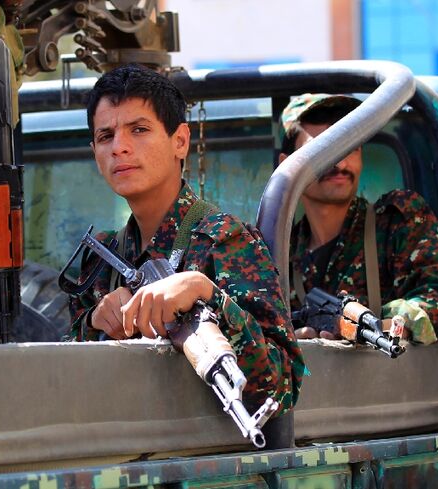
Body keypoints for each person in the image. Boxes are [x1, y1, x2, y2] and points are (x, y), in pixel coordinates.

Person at [68, 64, 305, 415]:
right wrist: (95, 323)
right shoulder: (102, 259)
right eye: (106, 136)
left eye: (139, 130)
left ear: (179, 141)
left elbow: (282, 384)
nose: (120, 147)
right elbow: (63, 381)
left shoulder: (223, 241)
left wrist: (204, 292)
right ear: (95, 152)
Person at [279, 93, 438, 344]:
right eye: (324, 150)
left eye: (350, 146)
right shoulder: (280, 254)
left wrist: (379, 326)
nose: (341, 162)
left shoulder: (396, 221)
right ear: (287, 165)